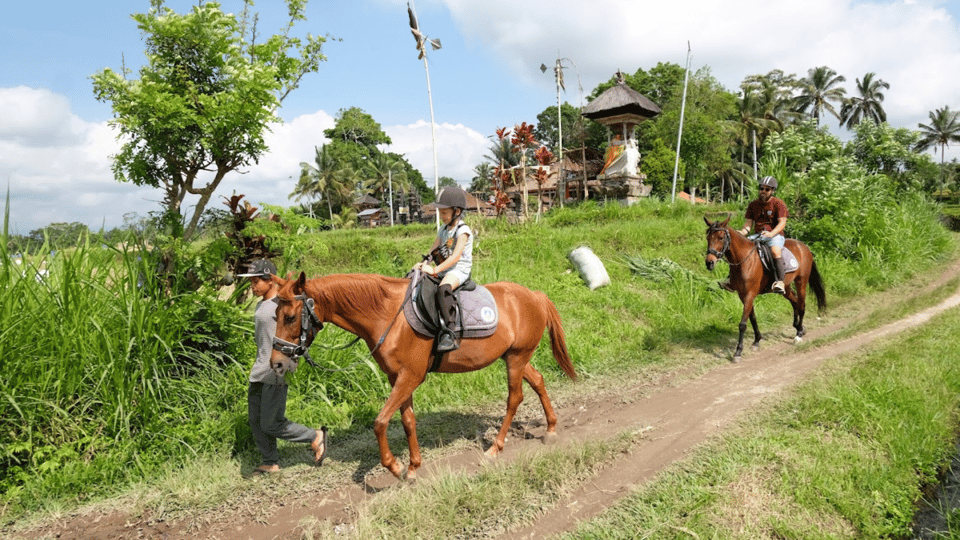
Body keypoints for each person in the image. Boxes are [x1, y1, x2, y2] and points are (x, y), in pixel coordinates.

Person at [238, 258, 328, 475]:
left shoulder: (281, 304)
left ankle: (315, 436)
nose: (252, 286)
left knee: (271, 423)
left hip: (276, 370)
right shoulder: (261, 305)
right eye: (250, 282)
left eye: (256, 281)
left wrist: (291, 362)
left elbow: (296, 331)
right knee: (255, 420)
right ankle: (270, 461)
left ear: (270, 280)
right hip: (260, 368)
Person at [413, 186, 474, 352]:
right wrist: (424, 263)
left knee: (443, 288)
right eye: (440, 212)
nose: (442, 216)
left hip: (459, 269)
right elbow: (434, 250)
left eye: (445, 212)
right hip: (445, 268)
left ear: (457, 211)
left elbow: (455, 257)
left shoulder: (463, 231)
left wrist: (434, 270)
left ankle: (449, 333)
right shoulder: (443, 229)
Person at [720, 176, 789, 294]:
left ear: (772, 191)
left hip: (775, 235)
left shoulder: (778, 203)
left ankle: (780, 282)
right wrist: (742, 232)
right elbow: (748, 224)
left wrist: (771, 234)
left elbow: (782, 222)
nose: (763, 191)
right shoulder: (753, 205)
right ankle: (732, 280)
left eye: (767, 189)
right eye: (761, 188)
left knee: (775, 251)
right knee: (738, 250)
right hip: (757, 235)